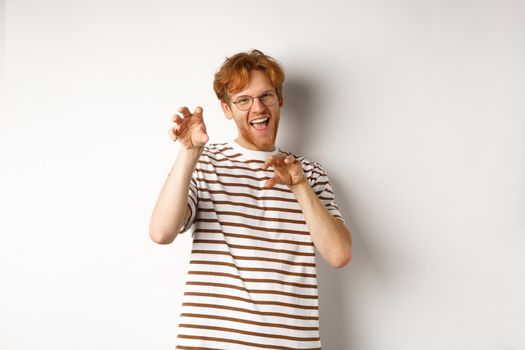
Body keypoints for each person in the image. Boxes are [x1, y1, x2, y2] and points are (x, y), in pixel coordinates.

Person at [149, 49, 352, 350]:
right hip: (210, 344)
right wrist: (189, 153)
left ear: (280, 100)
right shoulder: (205, 163)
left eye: (266, 96)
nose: (258, 108)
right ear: (227, 109)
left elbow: (339, 255)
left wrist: (299, 187)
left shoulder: (309, 173)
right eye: (243, 100)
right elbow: (161, 233)